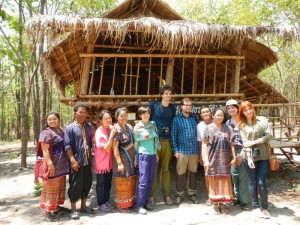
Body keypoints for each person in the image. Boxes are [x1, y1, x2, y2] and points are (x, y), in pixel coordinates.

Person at [237, 101, 272, 219]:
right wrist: (248, 157)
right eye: (245, 110)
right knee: (252, 182)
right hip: (250, 157)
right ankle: (256, 206)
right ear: (242, 112)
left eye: (250, 108)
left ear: (253, 108)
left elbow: (269, 135)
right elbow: (245, 143)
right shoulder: (241, 124)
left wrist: (255, 142)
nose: (248, 111)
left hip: (263, 156)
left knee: (261, 183)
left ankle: (265, 208)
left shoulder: (262, 120)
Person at [203, 108, 236, 214]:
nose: (220, 117)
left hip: (225, 160)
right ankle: (215, 204)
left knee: (224, 181)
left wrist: (234, 157)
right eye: (217, 115)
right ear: (213, 116)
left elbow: (232, 144)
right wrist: (206, 160)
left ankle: (222, 204)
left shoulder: (228, 128)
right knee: (213, 181)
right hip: (212, 159)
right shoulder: (208, 128)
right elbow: (204, 145)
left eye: (221, 115)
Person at [64, 103, 94, 220]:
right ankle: (73, 208)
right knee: (75, 185)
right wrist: (72, 160)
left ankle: (83, 206)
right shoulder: (70, 128)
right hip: (77, 161)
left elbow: (91, 143)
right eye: (80, 112)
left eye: (84, 112)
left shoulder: (89, 127)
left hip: (88, 160)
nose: (83, 114)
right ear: (75, 113)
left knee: (87, 183)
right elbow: (67, 145)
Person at [38, 112, 70, 222]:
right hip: (53, 166)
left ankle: (56, 207)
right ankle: (47, 213)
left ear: (59, 119)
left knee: (58, 188)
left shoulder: (61, 131)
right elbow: (45, 150)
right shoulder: (46, 133)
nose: (52, 121)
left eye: (54, 119)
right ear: (46, 121)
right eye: (50, 119)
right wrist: (50, 164)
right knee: (49, 188)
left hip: (61, 167)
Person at [148, 85, 175, 206]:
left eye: (170, 93)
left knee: (166, 169)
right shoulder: (153, 105)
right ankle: (151, 196)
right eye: (166, 93)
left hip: (166, 141)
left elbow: (173, 122)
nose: (168, 95)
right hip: (154, 141)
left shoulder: (172, 108)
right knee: (153, 168)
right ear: (161, 94)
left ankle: (167, 195)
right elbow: (146, 119)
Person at [171, 98, 199, 205]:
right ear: (181, 106)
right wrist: (175, 150)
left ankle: (192, 193)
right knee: (180, 174)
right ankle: (180, 194)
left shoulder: (194, 118)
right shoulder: (176, 119)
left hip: (194, 150)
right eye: (186, 105)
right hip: (182, 151)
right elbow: (173, 136)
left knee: (193, 173)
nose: (188, 107)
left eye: (190, 105)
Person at [133, 106, 160, 214]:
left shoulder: (152, 124)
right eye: (144, 114)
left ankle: (145, 203)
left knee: (150, 180)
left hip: (153, 154)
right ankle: (138, 205)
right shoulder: (137, 127)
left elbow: (155, 139)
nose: (146, 115)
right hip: (143, 154)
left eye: (148, 113)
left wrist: (156, 153)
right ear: (140, 115)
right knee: (143, 181)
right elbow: (136, 143)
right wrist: (136, 158)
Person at [225, 99, 250, 210]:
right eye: (228, 108)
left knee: (243, 176)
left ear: (237, 108)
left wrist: (242, 153)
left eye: (232, 107)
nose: (231, 110)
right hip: (231, 151)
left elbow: (249, 138)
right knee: (234, 175)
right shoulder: (227, 123)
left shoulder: (244, 120)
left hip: (243, 150)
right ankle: (237, 198)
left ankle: (244, 200)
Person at [112, 107, 137, 212]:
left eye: (125, 115)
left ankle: (129, 202)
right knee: (123, 180)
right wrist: (119, 163)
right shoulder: (116, 129)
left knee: (130, 179)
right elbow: (114, 147)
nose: (124, 117)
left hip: (131, 157)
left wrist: (135, 157)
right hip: (122, 159)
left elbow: (134, 142)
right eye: (121, 116)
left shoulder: (130, 127)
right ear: (117, 117)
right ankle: (122, 205)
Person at [93, 110, 116, 212]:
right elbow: (106, 148)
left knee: (108, 182)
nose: (108, 120)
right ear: (101, 121)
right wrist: (111, 136)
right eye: (105, 118)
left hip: (109, 162)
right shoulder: (99, 132)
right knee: (100, 183)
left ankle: (106, 201)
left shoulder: (111, 128)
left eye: (109, 118)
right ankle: (101, 203)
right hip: (101, 163)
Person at [196, 106, 213, 205]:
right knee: (207, 174)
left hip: (217, 151)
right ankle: (210, 196)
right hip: (205, 151)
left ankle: (219, 197)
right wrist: (200, 156)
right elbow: (199, 141)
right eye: (203, 112)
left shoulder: (217, 122)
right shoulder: (199, 126)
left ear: (211, 113)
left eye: (207, 111)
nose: (206, 113)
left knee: (218, 174)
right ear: (201, 116)